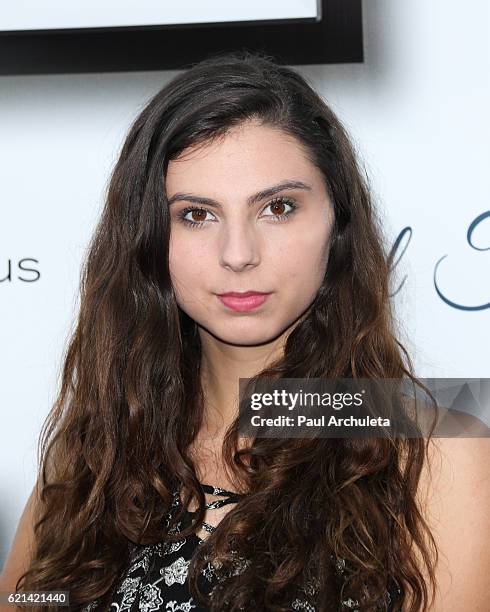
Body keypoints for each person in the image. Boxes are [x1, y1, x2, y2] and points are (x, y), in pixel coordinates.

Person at [1, 50, 489, 612]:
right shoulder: (95, 448)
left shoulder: (434, 447)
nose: (238, 254)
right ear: (147, 238)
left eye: (278, 208)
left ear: (338, 223)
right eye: (196, 215)